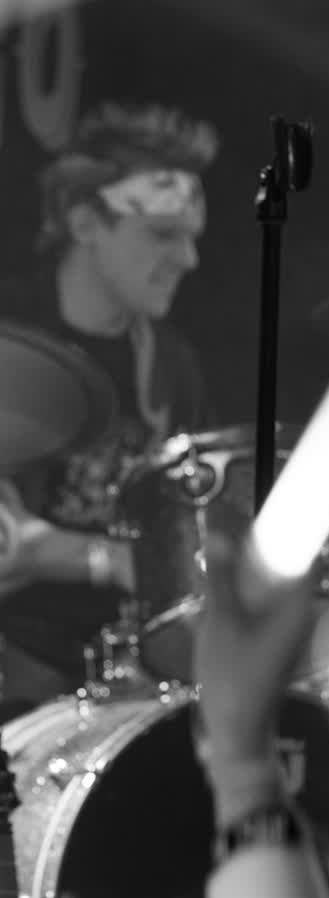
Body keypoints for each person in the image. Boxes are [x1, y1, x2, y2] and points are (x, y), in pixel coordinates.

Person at [0, 99, 217, 711]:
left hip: (130, 677)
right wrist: (109, 560)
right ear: (85, 223)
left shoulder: (173, 365)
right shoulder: (11, 333)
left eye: (192, 238)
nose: (189, 259)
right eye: (163, 235)